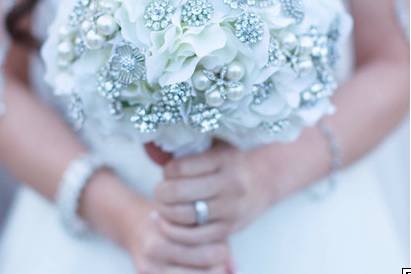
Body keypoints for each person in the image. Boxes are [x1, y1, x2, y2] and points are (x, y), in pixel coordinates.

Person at [0, 0, 409, 273]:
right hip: (89, 240)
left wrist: (266, 177)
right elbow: (9, 84)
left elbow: (393, 64)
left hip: (307, 233)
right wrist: (119, 213)